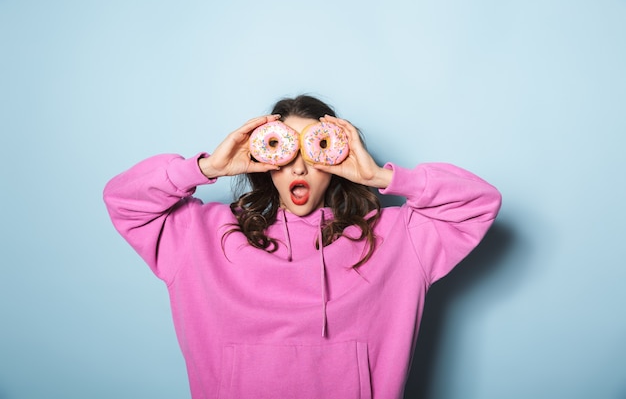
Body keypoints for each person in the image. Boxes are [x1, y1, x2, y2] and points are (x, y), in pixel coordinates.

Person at [103, 95, 502, 399]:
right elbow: (123, 199)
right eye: (283, 149)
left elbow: (479, 202)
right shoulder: (201, 235)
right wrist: (207, 167)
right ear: (263, 159)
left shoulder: (396, 237)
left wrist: (379, 175)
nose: (297, 168)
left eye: (314, 150)